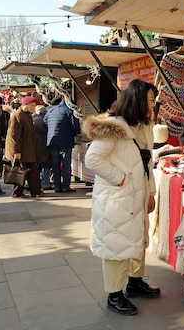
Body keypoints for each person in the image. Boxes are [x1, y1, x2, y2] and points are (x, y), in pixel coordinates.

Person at [83, 79, 159, 316]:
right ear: (137, 100)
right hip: (116, 199)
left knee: (137, 239)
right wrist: (121, 179)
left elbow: (147, 162)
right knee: (116, 245)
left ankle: (135, 282)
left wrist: (150, 192)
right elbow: (92, 159)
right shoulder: (115, 127)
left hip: (136, 196)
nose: (153, 105)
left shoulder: (143, 125)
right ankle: (114, 294)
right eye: (149, 100)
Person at [5, 96, 42, 198]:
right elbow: (13, 135)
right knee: (19, 172)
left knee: (33, 172)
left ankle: (36, 191)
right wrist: (16, 151)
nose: (33, 107)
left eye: (34, 105)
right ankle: (17, 193)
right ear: (25, 105)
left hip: (28, 150)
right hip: (21, 150)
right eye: (31, 105)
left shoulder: (27, 115)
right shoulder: (18, 116)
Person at [44, 97, 81, 193]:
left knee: (55, 165)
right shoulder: (69, 111)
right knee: (66, 164)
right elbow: (75, 127)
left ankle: (57, 187)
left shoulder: (50, 110)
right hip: (65, 141)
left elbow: (45, 123)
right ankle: (65, 186)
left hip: (52, 141)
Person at [33, 105, 53, 190]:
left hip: (33, 145)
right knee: (46, 164)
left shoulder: (31, 119)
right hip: (44, 144)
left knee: (35, 166)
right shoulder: (46, 120)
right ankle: (45, 183)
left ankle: (34, 183)